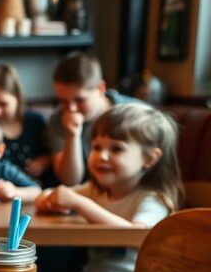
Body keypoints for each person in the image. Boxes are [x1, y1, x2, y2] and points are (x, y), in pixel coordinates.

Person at [36, 104, 183, 272]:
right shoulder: (96, 190)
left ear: (150, 159)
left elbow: (138, 235)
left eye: (116, 149)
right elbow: (61, 194)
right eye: (96, 147)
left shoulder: (152, 199)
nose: (102, 156)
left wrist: (79, 204)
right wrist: (47, 199)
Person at [46, 52, 141, 186]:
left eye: (80, 100)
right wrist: (72, 136)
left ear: (101, 88)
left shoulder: (135, 114)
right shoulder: (58, 118)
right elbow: (70, 180)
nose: (71, 108)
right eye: (63, 101)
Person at [0, 64, 52, 185]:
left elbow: (53, 152)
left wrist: (45, 161)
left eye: (3, 104)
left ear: (17, 97)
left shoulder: (35, 121)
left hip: (34, 191)